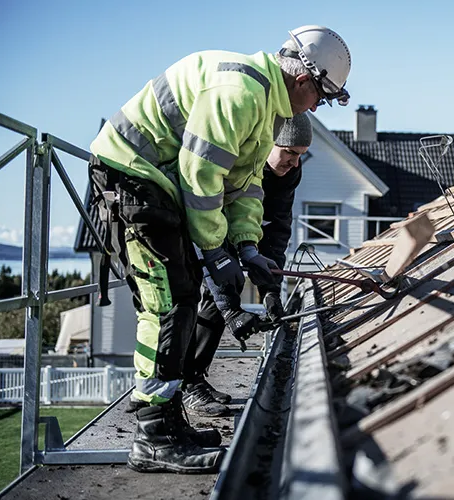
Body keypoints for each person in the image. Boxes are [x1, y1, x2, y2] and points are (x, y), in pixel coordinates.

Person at [88, 26, 351, 474]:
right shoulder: (242, 92)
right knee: (169, 303)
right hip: (131, 177)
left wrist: (248, 249)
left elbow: (245, 185)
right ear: (305, 80)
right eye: (322, 98)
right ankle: (153, 435)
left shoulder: (265, 103)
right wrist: (217, 253)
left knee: (184, 297)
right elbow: (199, 177)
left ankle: (168, 421)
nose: (316, 107)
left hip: (155, 183)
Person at [181, 113, 313, 416]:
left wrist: (270, 288)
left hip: (237, 224)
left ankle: (194, 380)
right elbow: (208, 226)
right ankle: (185, 386)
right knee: (202, 294)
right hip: (198, 218)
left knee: (220, 295)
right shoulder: (236, 159)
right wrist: (230, 307)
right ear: (268, 144)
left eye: (300, 156)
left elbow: (277, 226)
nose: (294, 162)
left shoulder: (289, 172)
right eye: (289, 152)